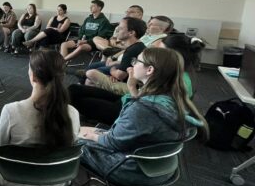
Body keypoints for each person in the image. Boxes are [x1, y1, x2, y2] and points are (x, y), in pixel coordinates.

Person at [76, 47, 208, 186]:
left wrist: (90, 135)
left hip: (129, 170)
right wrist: (132, 89)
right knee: (84, 130)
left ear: (150, 70)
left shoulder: (144, 108)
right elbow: (137, 124)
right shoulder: (174, 101)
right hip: (158, 170)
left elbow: (114, 141)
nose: (132, 65)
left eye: (137, 61)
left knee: (67, 139)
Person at [0, 50, 80, 186]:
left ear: (33, 76)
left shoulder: (11, 111)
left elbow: (0, 153)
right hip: (58, 181)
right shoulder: (73, 113)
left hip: (14, 180)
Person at [68, 32, 203, 126]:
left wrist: (132, 86)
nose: (156, 52)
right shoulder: (171, 70)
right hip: (127, 101)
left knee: (77, 99)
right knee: (73, 89)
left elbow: (145, 111)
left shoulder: (179, 80)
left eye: (161, 50)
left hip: (128, 112)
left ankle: (66, 121)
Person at [82, 17, 147, 92]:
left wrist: (112, 70)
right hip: (131, 81)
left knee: (90, 74)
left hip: (133, 87)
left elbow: (120, 75)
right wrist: (114, 73)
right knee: (90, 80)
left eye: (121, 28)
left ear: (131, 33)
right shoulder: (138, 46)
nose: (117, 30)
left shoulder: (132, 50)